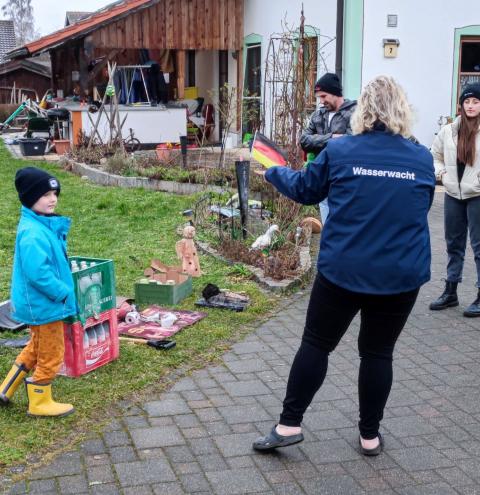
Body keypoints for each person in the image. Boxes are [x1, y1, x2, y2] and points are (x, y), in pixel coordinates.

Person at [252, 76, 435, 455]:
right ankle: (369, 436)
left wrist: (271, 170)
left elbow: (305, 190)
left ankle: (288, 426)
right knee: (378, 353)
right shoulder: (421, 158)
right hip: (400, 275)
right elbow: (419, 205)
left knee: (317, 344)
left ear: (362, 109)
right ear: (402, 110)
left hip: (344, 270)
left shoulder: (342, 152)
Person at [0, 167, 77, 417]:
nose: (52, 198)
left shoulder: (39, 225)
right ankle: (40, 401)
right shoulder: (33, 233)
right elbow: (39, 273)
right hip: (45, 304)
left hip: (41, 303)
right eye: (45, 194)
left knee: (36, 346)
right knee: (51, 352)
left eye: (54, 192)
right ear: (30, 197)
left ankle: (6, 388)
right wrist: (62, 292)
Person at [429, 83, 480, 317]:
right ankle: (451, 291)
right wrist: (442, 174)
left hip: (477, 194)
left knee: (479, 247)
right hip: (452, 194)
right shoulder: (449, 130)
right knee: (453, 244)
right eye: (467, 102)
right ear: (461, 105)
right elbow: (435, 155)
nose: (470, 106)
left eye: (475, 102)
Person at [300, 72, 357, 225]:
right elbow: (304, 140)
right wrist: (332, 137)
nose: (321, 101)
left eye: (324, 96)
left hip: (344, 175)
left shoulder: (354, 113)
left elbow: (352, 143)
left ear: (335, 93)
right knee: (325, 214)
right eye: (319, 97)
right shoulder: (318, 115)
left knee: (343, 215)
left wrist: (318, 140)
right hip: (322, 174)